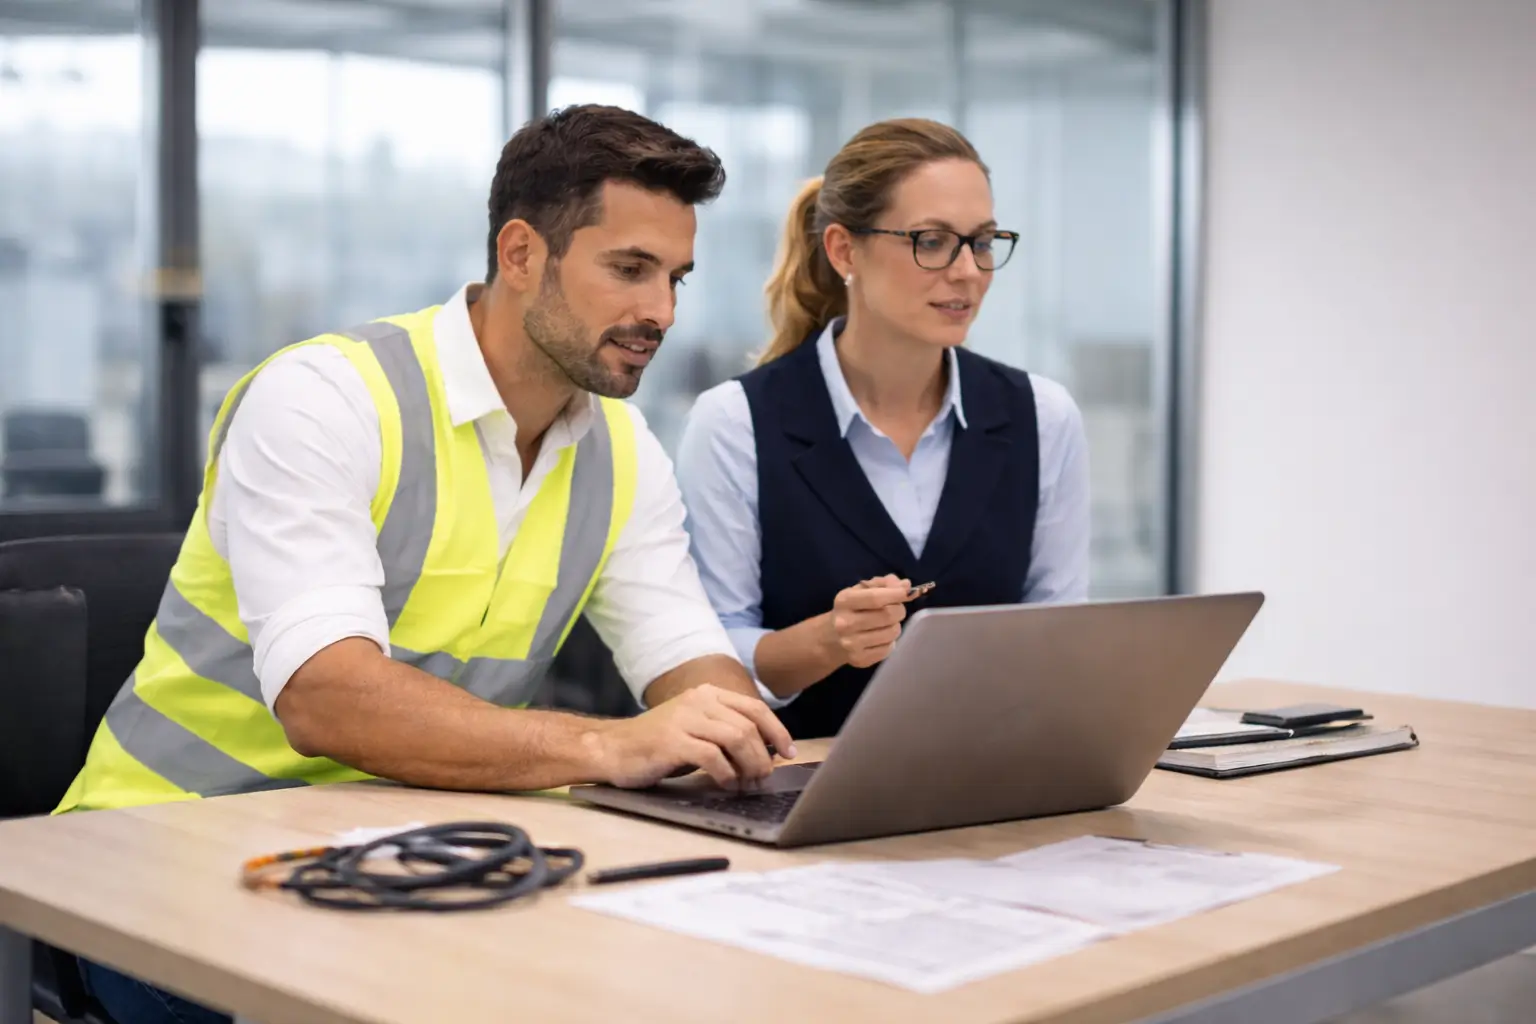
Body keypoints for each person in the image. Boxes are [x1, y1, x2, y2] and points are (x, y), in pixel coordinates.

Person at [59, 104, 794, 1024]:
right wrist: (609, 746)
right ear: (521, 254)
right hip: (158, 861)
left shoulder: (623, 448)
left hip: (414, 861)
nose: (662, 312)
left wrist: (729, 739)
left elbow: (688, 663)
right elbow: (325, 697)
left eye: (677, 278)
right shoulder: (324, 399)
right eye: (630, 270)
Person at [675, 118, 1091, 741]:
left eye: (981, 241)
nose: (968, 272)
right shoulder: (735, 423)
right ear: (844, 250)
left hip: (996, 788)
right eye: (931, 241)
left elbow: (1062, 635)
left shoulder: (1043, 416)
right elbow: (707, 655)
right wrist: (827, 640)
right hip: (795, 789)